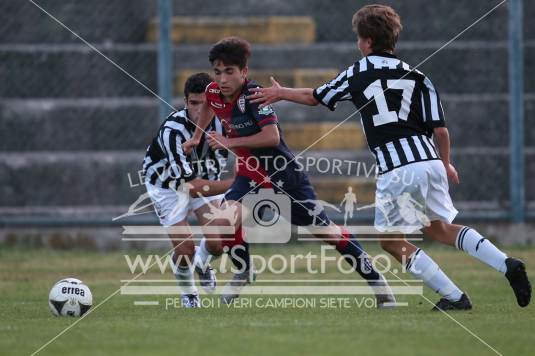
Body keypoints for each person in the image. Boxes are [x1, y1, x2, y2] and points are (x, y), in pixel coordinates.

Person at [247, 4, 531, 310]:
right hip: (431, 161)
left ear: (367, 41)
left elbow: (316, 97)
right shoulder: (418, 75)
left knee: (391, 241)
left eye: (359, 38)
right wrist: (445, 163)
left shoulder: (357, 72)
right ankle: (507, 263)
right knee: (440, 229)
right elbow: (442, 132)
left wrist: (280, 93)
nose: (358, 44)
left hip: (398, 169)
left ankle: (455, 297)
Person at [184, 37, 395, 307]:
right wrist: (197, 137)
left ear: (244, 72)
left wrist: (230, 142)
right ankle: (245, 269)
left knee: (327, 233)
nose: (222, 79)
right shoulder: (213, 92)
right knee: (223, 224)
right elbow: (209, 108)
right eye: (217, 71)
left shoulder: (255, 96)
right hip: (249, 175)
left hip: (283, 175)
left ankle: (379, 284)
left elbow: (271, 137)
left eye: (229, 71)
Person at [143, 72, 243, 308]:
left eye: (205, 103)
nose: (200, 110)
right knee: (185, 249)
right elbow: (191, 188)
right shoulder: (173, 132)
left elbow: (244, 146)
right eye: (194, 103)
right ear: (186, 102)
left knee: (218, 243)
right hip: (167, 187)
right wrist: (239, 182)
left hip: (206, 181)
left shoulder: (224, 123)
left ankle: (202, 262)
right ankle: (188, 292)